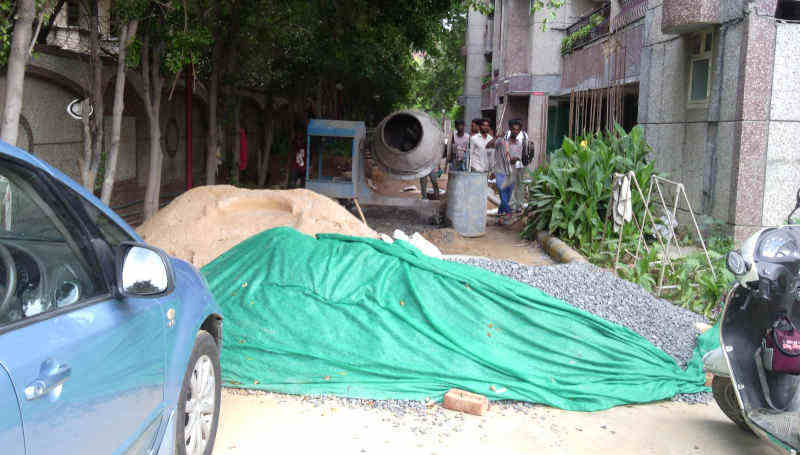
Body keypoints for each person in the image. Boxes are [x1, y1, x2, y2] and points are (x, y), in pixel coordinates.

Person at [493, 119, 524, 225]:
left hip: (512, 173)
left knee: (508, 195)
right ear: (510, 129)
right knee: (502, 194)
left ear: (519, 131)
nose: (515, 131)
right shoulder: (502, 141)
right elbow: (490, 145)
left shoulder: (519, 144)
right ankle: (509, 213)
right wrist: (497, 137)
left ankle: (500, 215)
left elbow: (519, 158)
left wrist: (515, 159)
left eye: (518, 130)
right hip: (500, 171)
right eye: (514, 129)